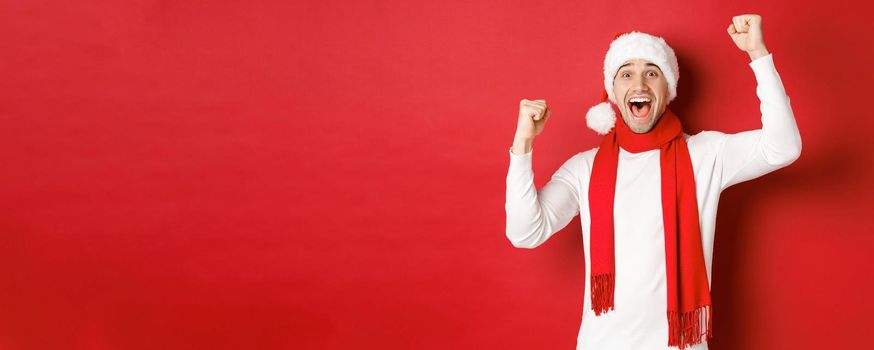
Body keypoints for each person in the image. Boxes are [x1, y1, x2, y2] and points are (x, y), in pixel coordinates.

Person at [504, 14, 802, 350]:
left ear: (668, 88)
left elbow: (783, 147)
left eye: (651, 72)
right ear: (613, 92)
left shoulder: (705, 154)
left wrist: (758, 55)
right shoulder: (583, 169)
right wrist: (522, 144)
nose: (640, 84)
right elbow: (524, 232)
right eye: (626, 73)